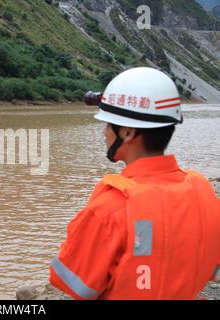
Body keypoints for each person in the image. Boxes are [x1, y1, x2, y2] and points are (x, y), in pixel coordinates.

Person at [49, 67, 220, 300]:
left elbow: (74, 282)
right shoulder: (204, 193)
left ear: (127, 132)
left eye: (108, 124)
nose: (104, 132)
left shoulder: (111, 207)